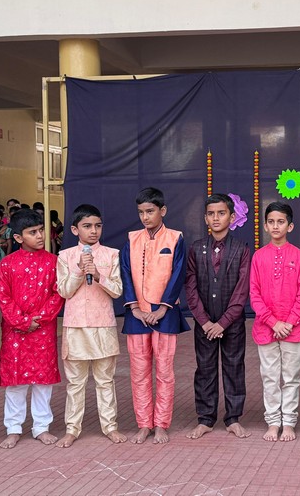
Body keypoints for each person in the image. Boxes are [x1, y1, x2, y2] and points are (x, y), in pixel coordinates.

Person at [120, 186, 190, 444]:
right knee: (138, 372)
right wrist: (135, 308)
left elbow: (178, 273)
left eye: (150, 211)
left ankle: (161, 423)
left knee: (164, 371)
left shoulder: (175, 238)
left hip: (166, 314)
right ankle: (143, 424)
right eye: (141, 212)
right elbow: (125, 273)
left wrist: (162, 307)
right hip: (136, 316)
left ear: (163, 211)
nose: (145, 217)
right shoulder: (131, 239)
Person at [55, 204, 127, 448]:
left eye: (97, 226)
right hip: (75, 327)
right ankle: (72, 429)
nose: (93, 231)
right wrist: (78, 270)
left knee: (105, 380)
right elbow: (64, 290)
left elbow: (117, 291)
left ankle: (110, 426)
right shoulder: (65, 256)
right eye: (87, 226)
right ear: (75, 229)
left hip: (103, 325)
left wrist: (98, 275)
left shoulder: (112, 255)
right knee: (75, 383)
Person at [184, 193, 252, 440]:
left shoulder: (242, 249)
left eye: (221, 213)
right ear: (205, 218)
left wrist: (222, 322)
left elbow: (242, 289)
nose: (216, 218)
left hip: (232, 323)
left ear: (232, 217)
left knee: (234, 368)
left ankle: (233, 418)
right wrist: (205, 322)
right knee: (204, 369)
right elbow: (190, 287)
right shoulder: (196, 249)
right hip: (204, 324)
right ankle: (205, 419)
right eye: (211, 214)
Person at [0, 208, 65, 449]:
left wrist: (39, 319)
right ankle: (13, 428)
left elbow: (58, 294)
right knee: (15, 382)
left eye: (41, 230)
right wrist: (23, 322)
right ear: (17, 238)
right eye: (32, 232)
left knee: (43, 381)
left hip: (43, 330)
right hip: (15, 331)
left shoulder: (53, 262)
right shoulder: (6, 264)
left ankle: (41, 427)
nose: (40, 236)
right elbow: (3, 298)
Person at [249, 201, 300, 442]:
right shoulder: (258, 257)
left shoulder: (299, 256)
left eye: (281, 221)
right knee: (270, 377)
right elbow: (254, 294)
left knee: (291, 377)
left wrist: (289, 322)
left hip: (293, 330)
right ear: (265, 225)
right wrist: (273, 322)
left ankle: (289, 423)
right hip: (265, 329)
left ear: (290, 226)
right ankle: (273, 422)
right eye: (271, 222)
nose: (276, 226)